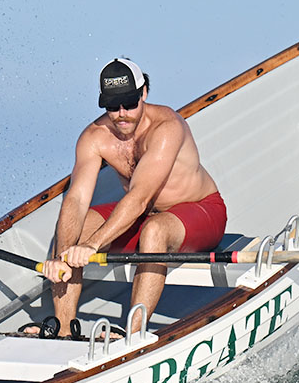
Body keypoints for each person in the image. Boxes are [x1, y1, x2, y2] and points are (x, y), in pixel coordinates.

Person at [39, 58, 225, 336]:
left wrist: (92, 245)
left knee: (154, 230)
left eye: (129, 103)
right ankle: (64, 328)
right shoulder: (94, 137)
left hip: (202, 212)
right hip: (146, 215)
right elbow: (75, 200)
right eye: (113, 106)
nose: (122, 114)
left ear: (144, 93)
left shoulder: (166, 127)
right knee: (79, 227)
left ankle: (133, 334)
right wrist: (63, 256)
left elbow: (138, 198)